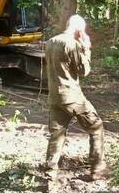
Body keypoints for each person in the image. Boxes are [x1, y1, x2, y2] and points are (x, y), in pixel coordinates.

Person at [44, 14, 106, 183]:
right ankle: (97, 170)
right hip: (72, 97)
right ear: (79, 30)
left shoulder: (50, 42)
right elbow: (83, 71)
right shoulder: (72, 43)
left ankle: (50, 176)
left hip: (55, 97)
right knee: (96, 127)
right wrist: (86, 48)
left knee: (56, 136)